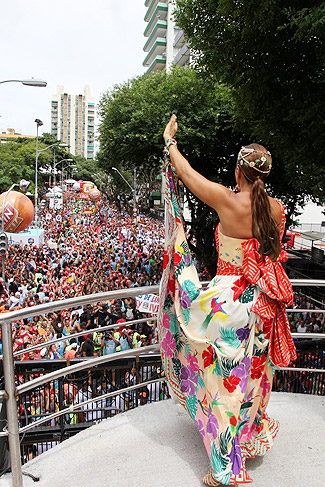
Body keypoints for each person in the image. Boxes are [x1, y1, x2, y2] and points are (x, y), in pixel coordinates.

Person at [158, 115, 296, 486]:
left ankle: (224, 468)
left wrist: (170, 141)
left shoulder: (225, 199)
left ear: (239, 171)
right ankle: (245, 442)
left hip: (228, 303)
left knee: (223, 384)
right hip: (263, 304)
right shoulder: (277, 209)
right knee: (251, 378)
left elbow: (187, 174)